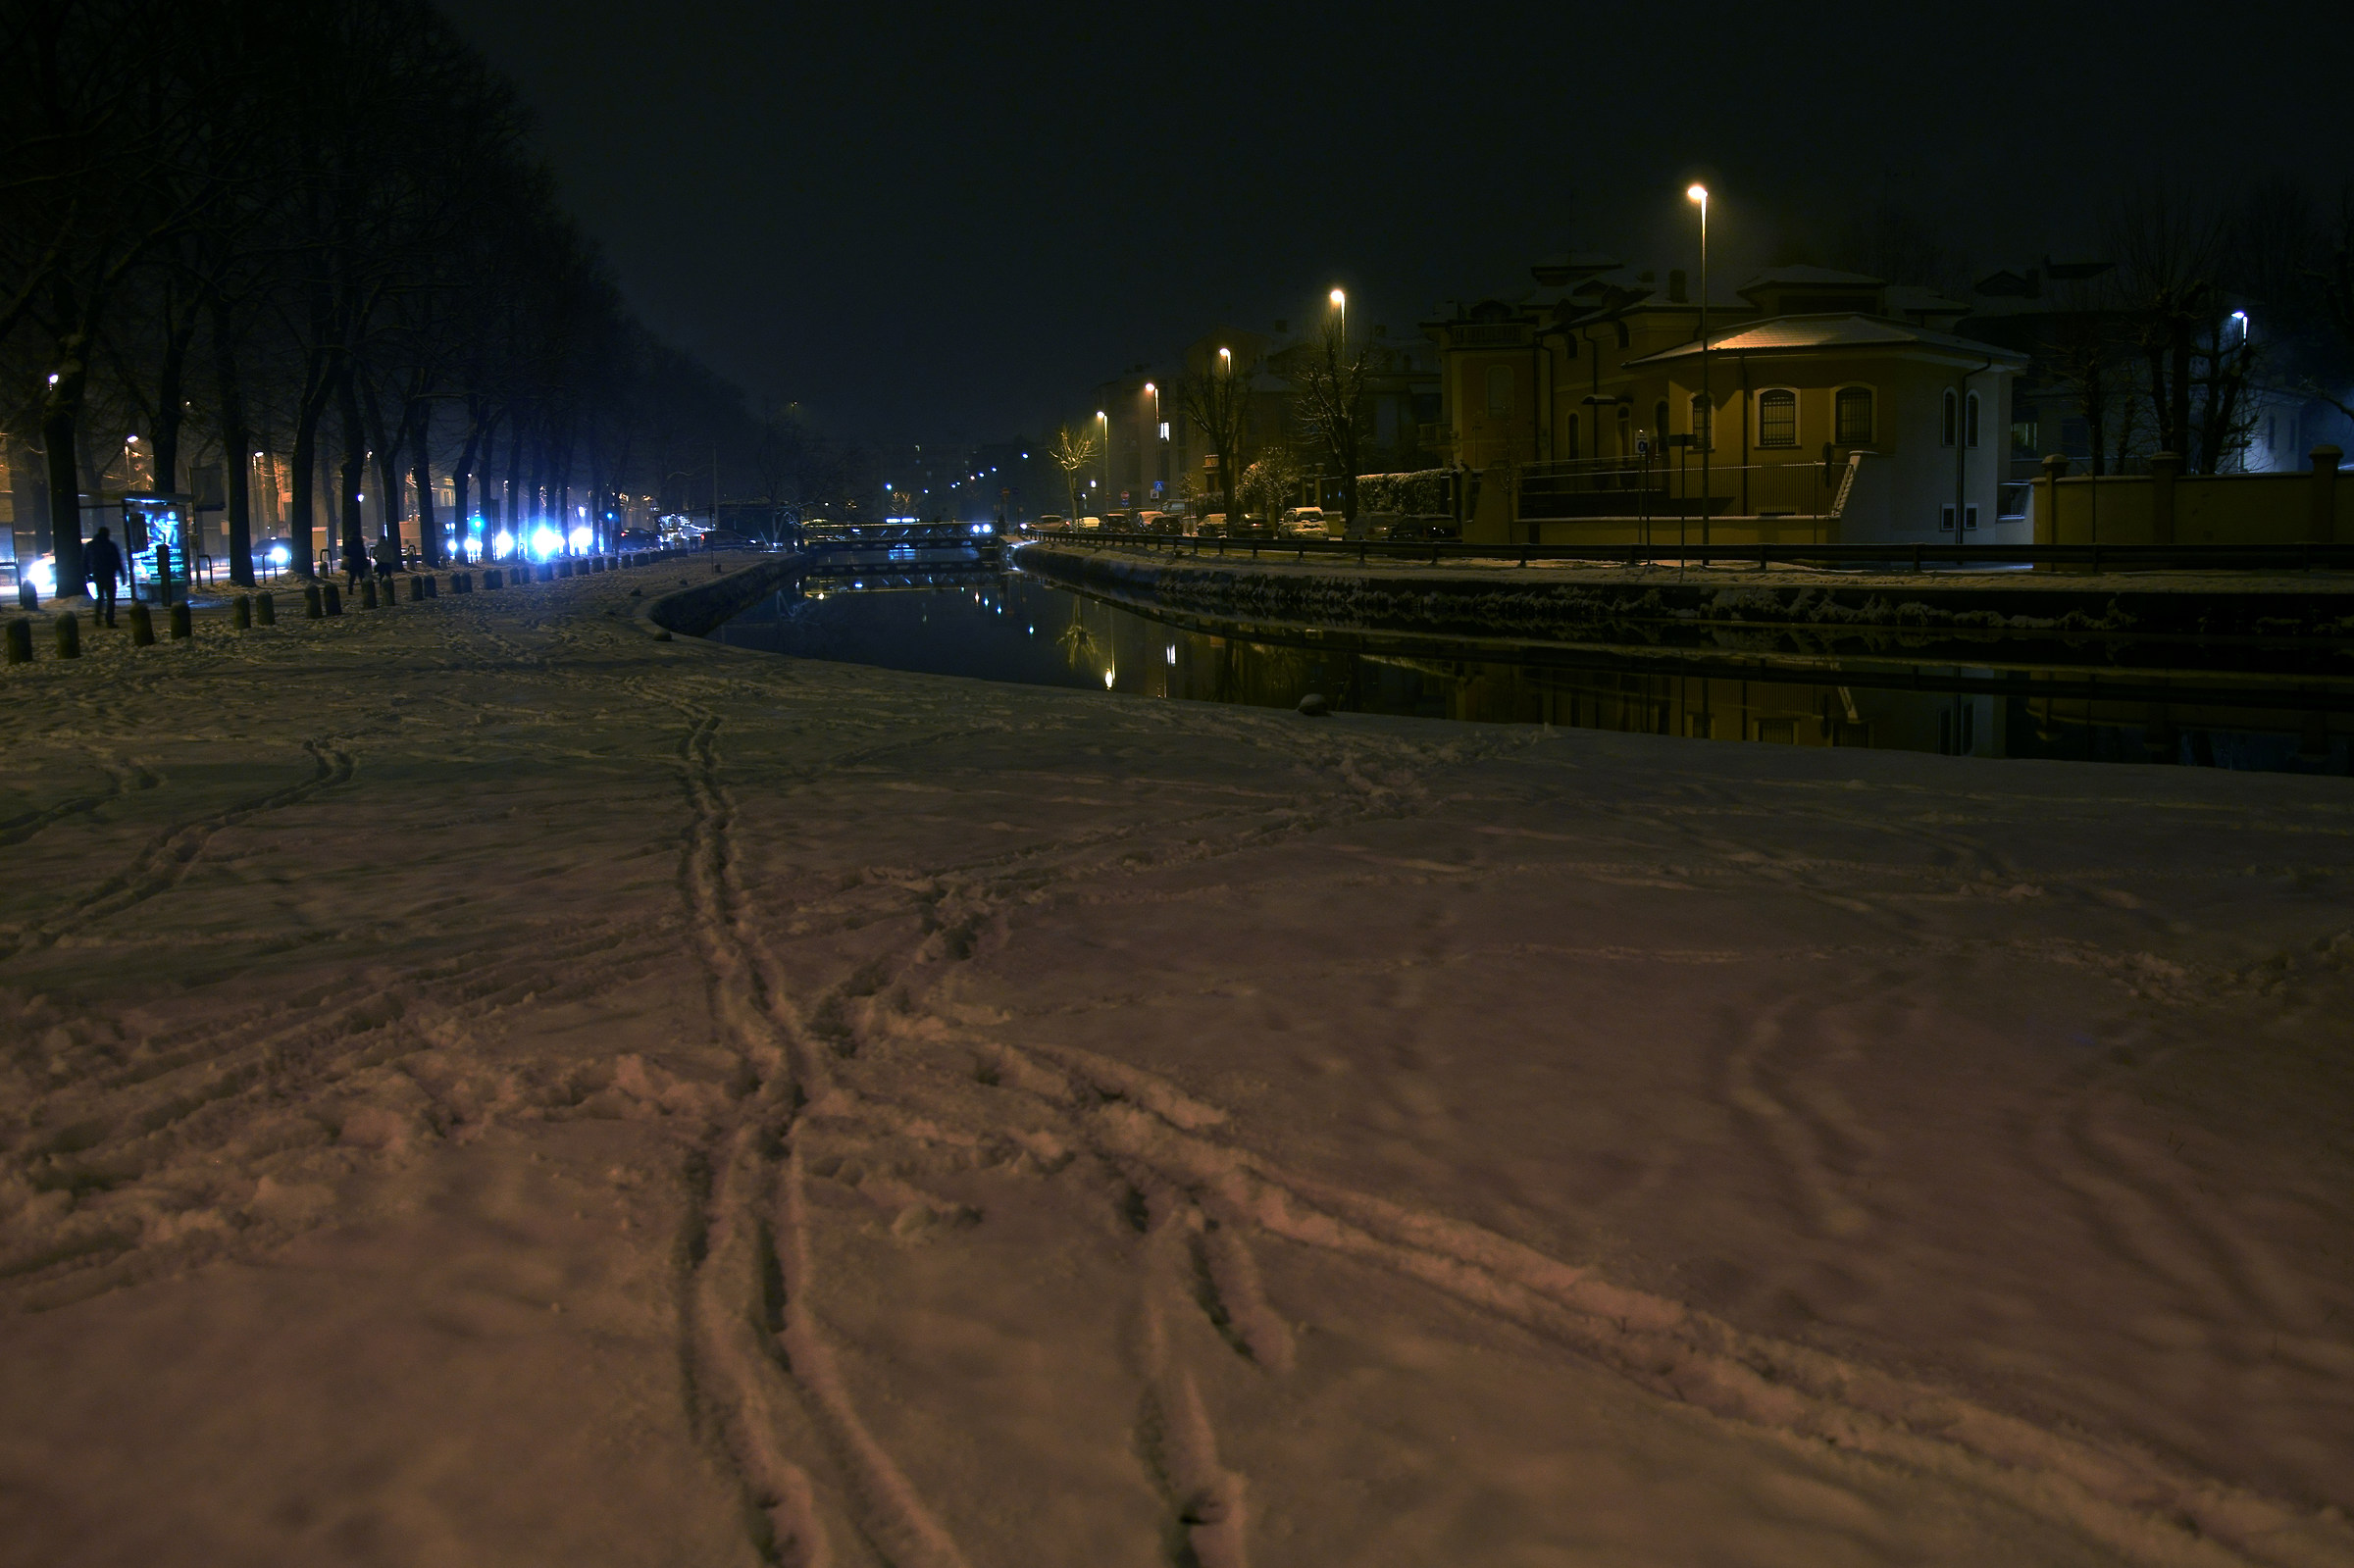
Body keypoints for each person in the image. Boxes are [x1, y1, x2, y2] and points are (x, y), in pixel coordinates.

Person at [85, 527, 125, 628]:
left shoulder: (91, 545)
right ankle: (109, 620)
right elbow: (117, 561)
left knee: (100, 597)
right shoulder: (110, 545)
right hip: (109, 574)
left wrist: (87, 574)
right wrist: (122, 574)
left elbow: (85, 560)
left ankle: (97, 618)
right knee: (111, 598)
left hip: (98, 574)